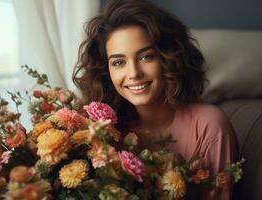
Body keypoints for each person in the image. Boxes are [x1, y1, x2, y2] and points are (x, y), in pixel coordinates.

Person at [72, 0, 238, 199]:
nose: (133, 73)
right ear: (106, 71)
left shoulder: (209, 126)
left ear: (168, 58)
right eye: (119, 62)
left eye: (146, 57)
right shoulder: (101, 131)